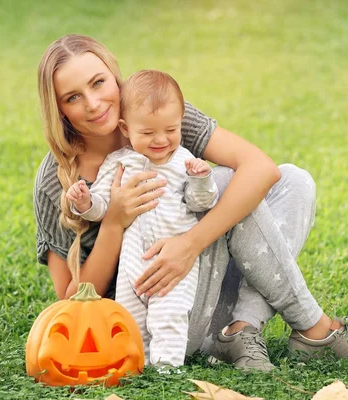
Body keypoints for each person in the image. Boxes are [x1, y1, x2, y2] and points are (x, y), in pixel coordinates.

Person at [33, 34, 348, 373]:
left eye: (98, 83)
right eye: (73, 97)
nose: (94, 103)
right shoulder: (55, 179)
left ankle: (241, 328)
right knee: (225, 181)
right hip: (152, 320)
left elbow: (262, 168)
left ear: (115, 77)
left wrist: (188, 245)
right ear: (60, 109)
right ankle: (317, 330)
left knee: (293, 180)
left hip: (204, 282)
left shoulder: (157, 112)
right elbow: (71, 304)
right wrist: (113, 221)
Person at [66, 69, 219, 368]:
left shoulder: (183, 160)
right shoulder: (119, 162)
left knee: (168, 312)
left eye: (170, 130)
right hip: (133, 255)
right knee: (130, 312)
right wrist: (86, 201)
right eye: (148, 133)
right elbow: (102, 209)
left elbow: (202, 203)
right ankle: (139, 363)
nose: (161, 140)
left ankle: (166, 367)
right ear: (125, 128)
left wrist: (201, 179)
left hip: (171, 254)